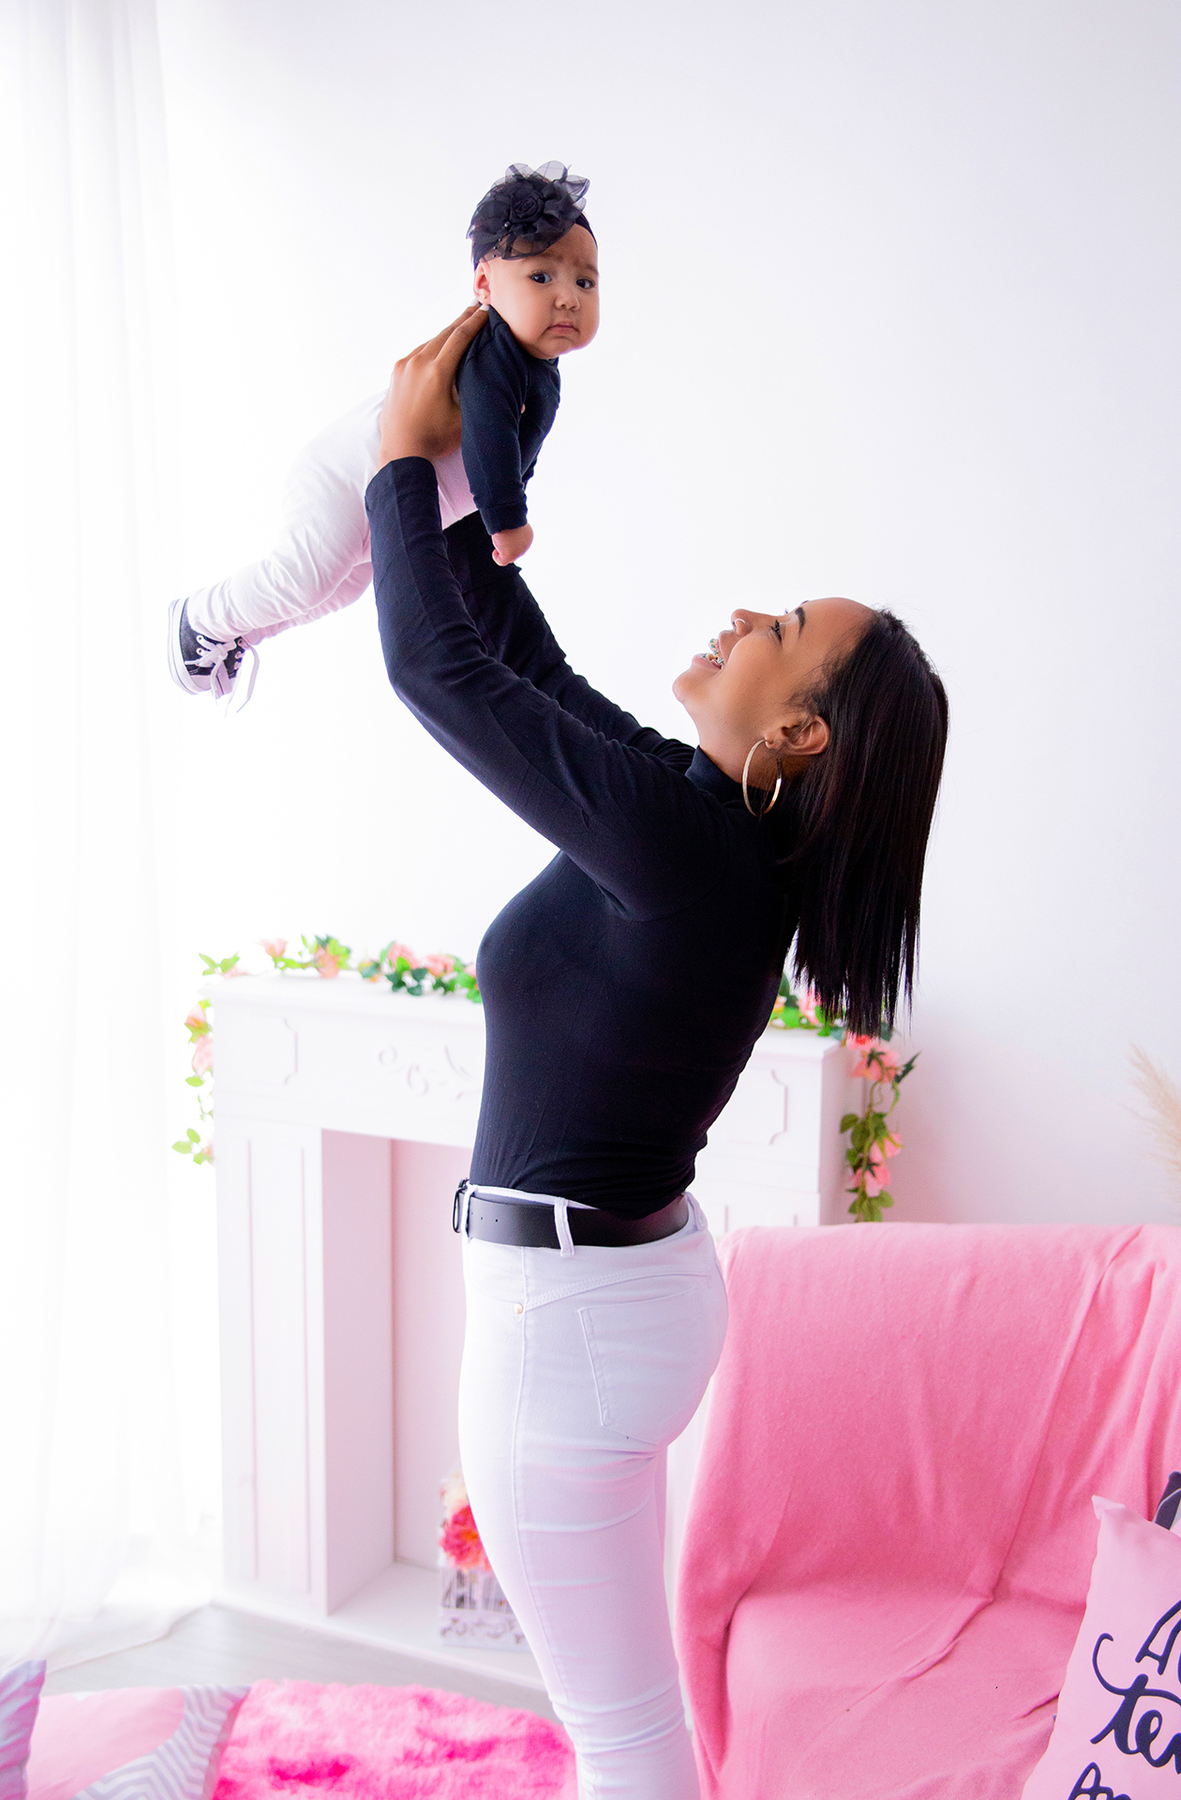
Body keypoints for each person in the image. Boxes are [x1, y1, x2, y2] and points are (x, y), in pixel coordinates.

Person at [367, 305, 950, 1799]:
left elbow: (435, 677)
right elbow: (513, 662)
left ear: (808, 732)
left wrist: (389, 462)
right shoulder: (706, 832)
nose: (743, 617)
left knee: (623, 1735)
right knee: (624, 1720)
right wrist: (480, 463)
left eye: (784, 631)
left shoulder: (694, 850)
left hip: (572, 1326)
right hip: (608, 1298)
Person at [166, 162, 598, 703]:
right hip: (349, 474)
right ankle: (200, 615)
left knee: (344, 583)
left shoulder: (536, 366)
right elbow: (490, 443)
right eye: (542, 276)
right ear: (485, 284)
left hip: (388, 491)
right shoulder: (498, 356)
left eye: (585, 280)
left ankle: (234, 632)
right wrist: (508, 523)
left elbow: (515, 450)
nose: (569, 297)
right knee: (308, 576)